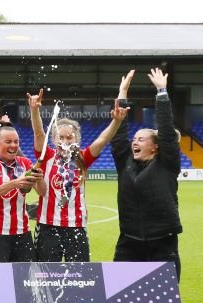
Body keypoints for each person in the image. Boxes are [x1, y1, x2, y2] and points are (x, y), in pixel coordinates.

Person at [111, 68, 203, 303]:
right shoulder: (124, 162)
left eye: (141, 139)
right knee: (119, 298)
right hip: (129, 242)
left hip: (162, 241)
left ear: (155, 146)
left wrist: (162, 93)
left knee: (167, 302)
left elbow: (165, 129)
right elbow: (119, 132)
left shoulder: (167, 164)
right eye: (134, 139)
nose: (135, 142)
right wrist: (122, 95)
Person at [28, 80, 129, 261]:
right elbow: (38, 133)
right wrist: (34, 110)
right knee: (47, 276)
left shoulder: (82, 158)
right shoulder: (46, 156)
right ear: (54, 138)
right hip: (47, 226)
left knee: (80, 274)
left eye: (69, 137)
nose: (65, 140)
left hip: (76, 226)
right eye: (61, 137)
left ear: (77, 138)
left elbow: (102, 140)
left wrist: (116, 122)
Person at [0, 123, 46, 262]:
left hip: (22, 231)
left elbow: (42, 192)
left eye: (16, 142)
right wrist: (15, 183)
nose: (13, 145)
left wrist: (39, 179)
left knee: (24, 277)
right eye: (8, 142)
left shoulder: (25, 162)